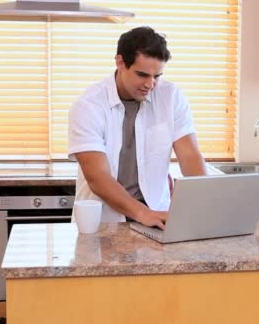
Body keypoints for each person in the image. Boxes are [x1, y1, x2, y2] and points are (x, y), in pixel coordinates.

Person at [68, 26, 206, 230]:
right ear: (120, 62)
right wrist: (143, 213)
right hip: (103, 223)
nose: (150, 85)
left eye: (157, 76)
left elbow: (190, 157)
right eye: (142, 75)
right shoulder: (89, 106)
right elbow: (97, 177)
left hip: (156, 219)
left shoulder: (171, 97)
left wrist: (205, 206)